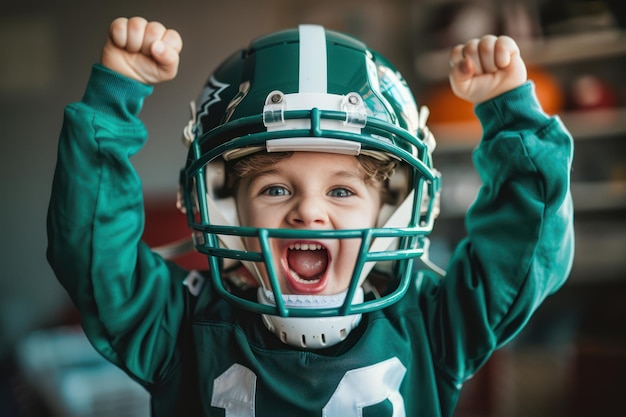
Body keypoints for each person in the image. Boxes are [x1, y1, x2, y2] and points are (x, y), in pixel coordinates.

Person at [47, 16, 574, 417]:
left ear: (390, 211)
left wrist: (512, 114)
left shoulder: (431, 322)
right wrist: (114, 98)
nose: (310, 211)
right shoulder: (182, 325)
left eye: (343, 191)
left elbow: (525, 254)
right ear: (227, 205)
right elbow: (92, 253)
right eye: (276, 187)